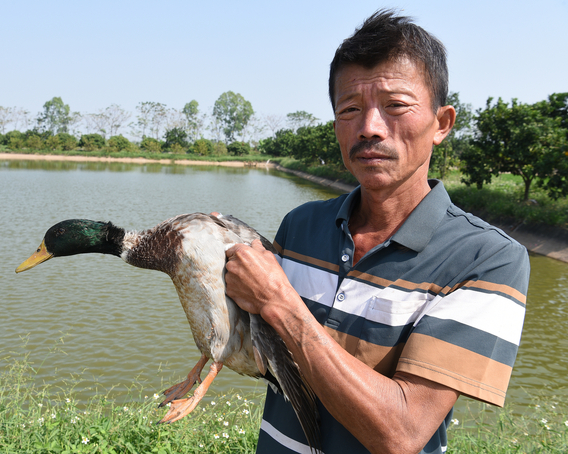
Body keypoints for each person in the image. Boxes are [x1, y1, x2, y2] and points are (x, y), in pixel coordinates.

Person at [224, 9, 530, 454]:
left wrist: (278, 302)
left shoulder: (487, 258)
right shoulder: (301, 225)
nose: (369, 128)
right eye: (350, 109)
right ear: (336, 125)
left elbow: (402, 434)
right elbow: (266, 357)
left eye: (396, 106)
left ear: (441, 123)